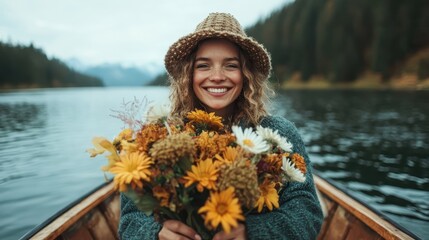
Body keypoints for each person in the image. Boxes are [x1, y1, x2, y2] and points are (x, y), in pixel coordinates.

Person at [119, 12, 323, 240]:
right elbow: (129, 220)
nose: (217, 76)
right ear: (189, 74)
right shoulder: (160, 137)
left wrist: (253, 232)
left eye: (230, 65)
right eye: (204, 66)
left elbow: (307, 211)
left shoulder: (278, 133)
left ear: (246, 75)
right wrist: (155, 233)